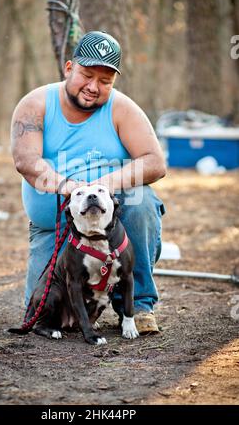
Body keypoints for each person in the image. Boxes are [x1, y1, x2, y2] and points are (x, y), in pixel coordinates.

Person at [11, 31, 166, 334]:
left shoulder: (123, 109)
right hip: (55, 228)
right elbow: (26, 162)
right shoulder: (36, 104)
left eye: (105, 81)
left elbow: (155, 162)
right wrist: (68, 186)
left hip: (109, 220)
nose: (94, 87)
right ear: (69, 68)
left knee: (142, 202)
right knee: (47, 314)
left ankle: (139, 305)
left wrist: (105, 184)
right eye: (87, 75)